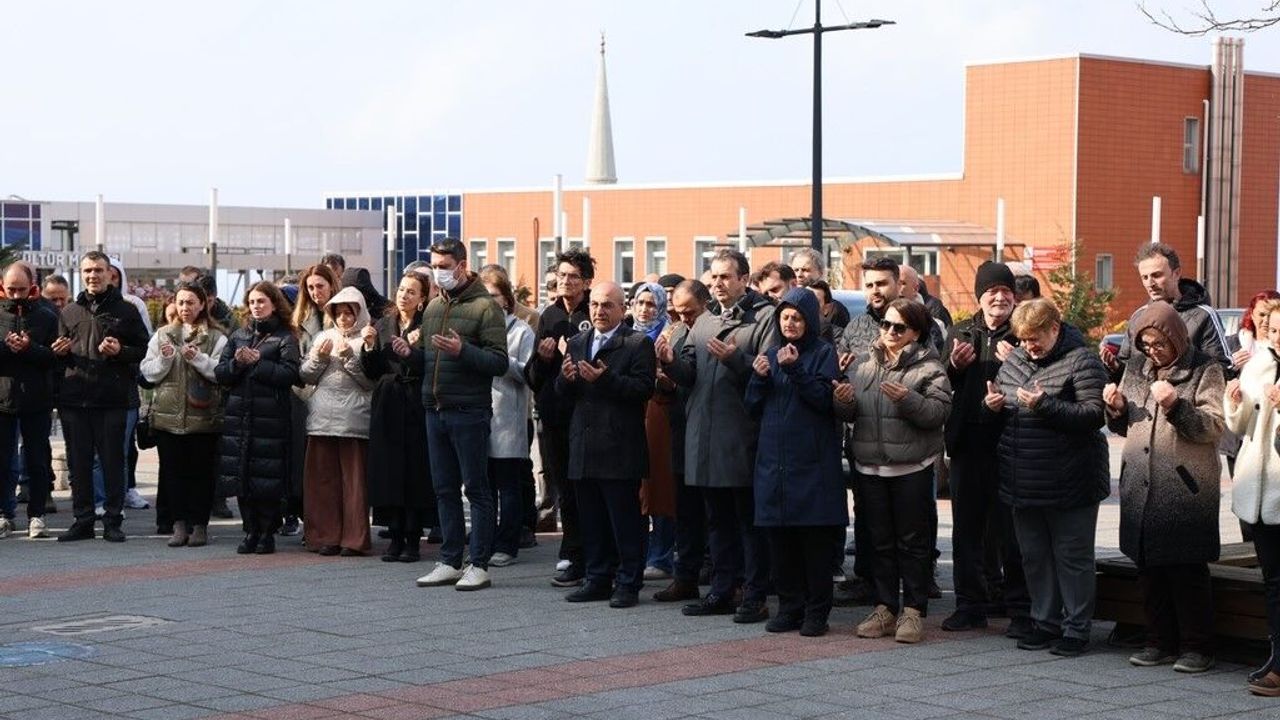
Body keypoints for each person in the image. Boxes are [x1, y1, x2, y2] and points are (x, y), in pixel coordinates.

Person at [657, 249, 778, 623]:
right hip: (704, 436)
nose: (718, 283)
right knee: (717, 521)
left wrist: (735, 359)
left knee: (748, 522)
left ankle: (754, 595)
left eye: (726, 276)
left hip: (741, 436)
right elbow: (690, 374)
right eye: (714, 277)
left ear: (744, 279)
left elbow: (770, 372)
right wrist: (670, 362)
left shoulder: (765, 318)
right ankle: (722, 591)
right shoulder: (705, 321)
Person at [1103, 302, 1224, 674]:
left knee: (1186, 571)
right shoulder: (1137, 367)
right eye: (1146, 344)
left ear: (1176, 337)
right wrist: (1116, 408)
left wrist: (1175, 405)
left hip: (1185, 487)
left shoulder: (1204, 368)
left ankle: (1197, 648)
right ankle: (1158, 641)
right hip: (1141, 485)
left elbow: (1213, 427)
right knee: (1149, 571)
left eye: (1160, 344)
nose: (1153, 351)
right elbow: (1126, 425)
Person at [985, 298, 1109, 657]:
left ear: (1054, 328)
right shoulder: (1015, 361)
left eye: (1035, 338)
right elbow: (1007, 409)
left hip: (1071, 480)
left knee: (1072, 557)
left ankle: (1076, 628)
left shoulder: (1082, 360)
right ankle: (1044, 622)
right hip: (1023, 478)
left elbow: (1093, 415)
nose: (1029, 346)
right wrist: (992, 407)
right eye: (1023, 339)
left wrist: (1045, 405)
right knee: (1035, 557)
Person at [834, 299, 951, 643]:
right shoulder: (864, 364)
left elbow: (938, 414)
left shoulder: (930, 367)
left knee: (913, 543)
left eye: (899, 327)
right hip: (870, 466)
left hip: (911, 467)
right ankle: (884, 607)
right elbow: (852, 414)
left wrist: (908, 400)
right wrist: (843, 400)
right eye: (886, 324)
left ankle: (913, 611)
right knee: (879, 542)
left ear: (916, 332)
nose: (890, 332)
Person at [746, 287, 846, 636]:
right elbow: (752, 407)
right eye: (785, 317)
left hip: (811, 464)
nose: (790, 323)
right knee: (780, 543)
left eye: (798, 318)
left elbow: (823, 399)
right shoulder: (770, 353)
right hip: (774, 464)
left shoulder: (823, 352)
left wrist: (795, 370)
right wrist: (758, 377)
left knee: (813, 545)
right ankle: (789, 607)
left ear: (810, 322)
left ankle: (817, 612)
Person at [941, 262, 1032, 636]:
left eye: (1006, 291)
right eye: (992, 291)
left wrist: (1018, 362)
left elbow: (1042, 378)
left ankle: (1020, 610)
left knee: (1012, 532)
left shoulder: (1024, 332)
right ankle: (969, 606)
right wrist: (953, 365)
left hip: (1011, 443)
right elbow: (940, 381)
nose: (999, 298)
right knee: (967, 531)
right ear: (980, 296)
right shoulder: (960, 332)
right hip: (968, 444)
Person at [414, 238, 509, 592]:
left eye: (444, 266)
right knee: (444, 488)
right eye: (434, 265)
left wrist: (463, 350)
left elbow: (499, 362)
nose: (438, 272)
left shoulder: (486, 307)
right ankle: (450, 559)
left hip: (469, 410)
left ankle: (478, 563)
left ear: (462, 266)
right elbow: (425, 357)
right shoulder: (434, 306)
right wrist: (404, 353)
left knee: (477, 489)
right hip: (435, 408)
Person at [555, 282, 656, 608]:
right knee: (592, 521)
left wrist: (606, 378)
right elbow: (562, 395)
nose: (599, 311)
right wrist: (565, 379)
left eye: (607, 305)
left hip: (619, 448)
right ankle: (597, 578)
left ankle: (628, 582)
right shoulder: (578, 342)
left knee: (624, 523)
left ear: (622, 309)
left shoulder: (637, 343)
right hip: (584, 446)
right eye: (595, 304)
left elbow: (643, 389)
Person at [53, 251, 150, 543]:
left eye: (98, 270)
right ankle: (82, 520)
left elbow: (144, 350)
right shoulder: (69, 312)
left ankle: (112, 520)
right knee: (79, 464)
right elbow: (58, 355)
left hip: (112, 400)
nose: (93, 275)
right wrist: (59, 351)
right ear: (81, 274)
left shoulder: (127, 310)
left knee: (112, 463)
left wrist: (120, 351)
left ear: (110, 274)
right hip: (74, 400)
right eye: (87, 271)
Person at [215, 282, 301, 555]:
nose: (256, 306)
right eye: (252, 301)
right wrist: (237, 363)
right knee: (242, 475)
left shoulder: (285, 337)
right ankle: (250, 530)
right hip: (239, 417)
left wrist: (259, 364)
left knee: (268, 477)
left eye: (261, 301)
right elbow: (221, 374)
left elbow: (291, 374)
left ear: (274, 304)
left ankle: (267, 532)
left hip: (271, 418)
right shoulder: (239, 335)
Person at [526, 249, 595, 586]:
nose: (566, 282)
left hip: (589, 416)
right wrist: (542, 359)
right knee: (565, 489)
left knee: (588, 488)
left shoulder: (595, 312)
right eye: (561, 276)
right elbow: (532, 376)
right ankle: (571, 551)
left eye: (573, 277)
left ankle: (595, 554)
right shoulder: (549, 316)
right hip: (555, 416)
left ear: (587, 282)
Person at [139, 282, 227, 548]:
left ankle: (199, 526)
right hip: (168, 418)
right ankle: (178, 525)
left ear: (202, 305)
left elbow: (222, 373)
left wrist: (198, 358)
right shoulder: (163, 334)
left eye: (190, 302)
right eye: (180, 302)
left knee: (201, 475)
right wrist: (165, 360)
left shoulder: (217, 337)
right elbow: (147, 372)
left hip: (204, 419)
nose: (185, 307)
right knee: (172, 474)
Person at [1224, 299, 1280, 695]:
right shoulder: (1258, 364)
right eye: (1272, 330)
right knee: (1273, 580)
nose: (1275, 337)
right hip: (1259, 492)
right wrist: (1235, 402)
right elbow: (1241, 427)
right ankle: (1276, 658)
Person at [362, 272, 435, 563]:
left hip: (415, 401)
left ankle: (413, 537)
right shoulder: (383, 323)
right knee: (389, 470)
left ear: (422, 299)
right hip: (388, 402)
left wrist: (411, 352)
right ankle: (394, 535)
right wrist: (369, 347)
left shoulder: (428, 325)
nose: (404, 295)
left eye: (412, 292)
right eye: (402, 289)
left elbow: (430, 364)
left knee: (414, 471)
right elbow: (372, 370)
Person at [299, 286, 376, 557]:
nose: (343, 318)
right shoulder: (323, 336)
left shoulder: (367, 338)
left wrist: (348, 358)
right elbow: (306, 375)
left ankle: (354, 539)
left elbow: (370, 382)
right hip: (321, 418)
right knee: (322, 482)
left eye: (349, 312)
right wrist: (319, 358)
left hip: (354, 420)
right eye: (338, 313)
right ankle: (325, 536)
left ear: (359, 313)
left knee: (354, 485)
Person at [652, 279, 711, 603]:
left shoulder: (714, 329)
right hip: (680, 428)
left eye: (690, 312)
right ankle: (685, 576)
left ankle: (718, 573)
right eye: (677, 312)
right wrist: (664, 380)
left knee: (713, 510)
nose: (683, 318)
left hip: (710, 431)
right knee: (685, 510)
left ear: (704, 305)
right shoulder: (674, 333)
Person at [1102, 242, 1230, 383]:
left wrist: (1180, 381)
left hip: (1185, 396)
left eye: (1156, 275)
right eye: (1145, 277)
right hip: (1144, 397)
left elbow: (1220, 369)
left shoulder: (1204, 316)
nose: (1150, 283)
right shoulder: (1138, 317)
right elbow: (1129, 369)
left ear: (1176, 273)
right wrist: (1115, 367)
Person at [0, 262, 58, 539]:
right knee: (3, 461)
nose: (16, 295)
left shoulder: (47, 315)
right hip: (2, 399)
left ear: (32, 286)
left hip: (37, 400)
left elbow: (55, 357)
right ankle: (4, 514)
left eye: (21, 289)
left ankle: (37, 515)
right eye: (11, 289)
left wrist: (29, 348)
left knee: (37, 461)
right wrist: (6, 348)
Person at [481, 267, 534, 567]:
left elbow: (528, 372)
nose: (489, 302)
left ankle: (507, 544)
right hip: (478, 416)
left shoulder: (521, 331)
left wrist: (500, 360)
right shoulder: (476, 329)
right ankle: (484, 541)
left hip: (508, 418)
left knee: (508, 486)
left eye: (494, 295)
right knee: (482, 486)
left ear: (506, 299)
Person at [287, 264, 342, 538]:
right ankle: (308, 521)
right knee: (304, 465)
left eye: (320, 286)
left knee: (333, 467)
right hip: (304, 397)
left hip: (337, 398)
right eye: (310, 287)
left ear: (332, 285)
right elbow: (295, 363)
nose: (315, 291)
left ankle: (333, 524)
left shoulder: (344, 315)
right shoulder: (298, 321)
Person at [630, 281, 677, 581]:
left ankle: (661, 555)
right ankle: (636, 553)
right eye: (640, 303)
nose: (645, 309)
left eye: (651, 304)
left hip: (660, 414)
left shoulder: (669, 334)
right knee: (634, 488)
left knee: (660, 486)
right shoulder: (626, 334)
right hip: (629, 414)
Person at [901, 264, 953, 329]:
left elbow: (942, 330)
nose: (899, 288)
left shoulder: (933, 304)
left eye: (903, 283)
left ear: (916, 288)